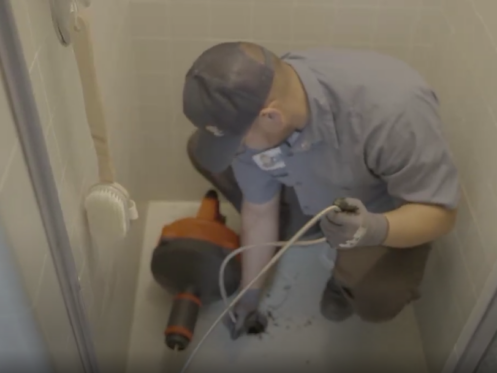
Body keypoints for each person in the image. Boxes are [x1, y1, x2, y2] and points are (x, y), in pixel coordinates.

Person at [182, 42, 460, 340]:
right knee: (204, 152)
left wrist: (375, 229)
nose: (238, 150)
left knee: (378, 298)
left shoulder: (395, 113)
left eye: (237, 141)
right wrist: (249, 296)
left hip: (381, 209)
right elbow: (259, 210)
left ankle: (343, 281)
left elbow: (440, 214)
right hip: (322, 179)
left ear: (272, 117)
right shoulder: (256, 104)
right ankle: (305, 223)